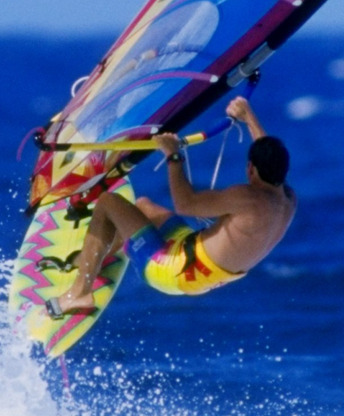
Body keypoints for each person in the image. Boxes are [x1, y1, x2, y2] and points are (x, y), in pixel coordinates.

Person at [48, 96, 296, 317]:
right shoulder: (287, 199)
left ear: (250, 169)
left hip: (173, 271)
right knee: (143, 206)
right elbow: (267, 152)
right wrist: (248, 115)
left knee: (108, 202)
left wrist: (173, 155)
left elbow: (185, 205)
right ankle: (95, 258)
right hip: (201, 267)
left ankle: (79, 293)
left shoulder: (247, 199)